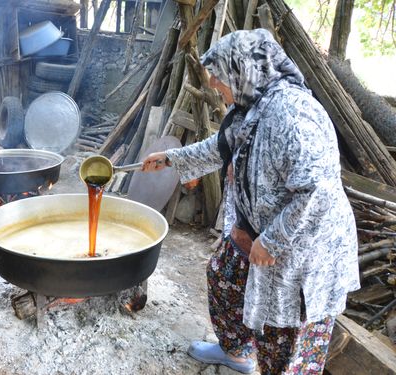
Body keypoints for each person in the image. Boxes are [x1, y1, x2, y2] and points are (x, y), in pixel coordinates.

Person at [142, 29, 359, 374]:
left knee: (284, 342)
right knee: (224, 278)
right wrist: (170, 158)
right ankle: (236, 352)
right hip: (256, 230)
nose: (213, 83)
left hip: (301, 249)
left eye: (218, 74)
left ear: (244, 70)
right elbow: (220, 147)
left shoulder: (292, 115)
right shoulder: (254, 108)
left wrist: (272, 241)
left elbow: (318, 190)